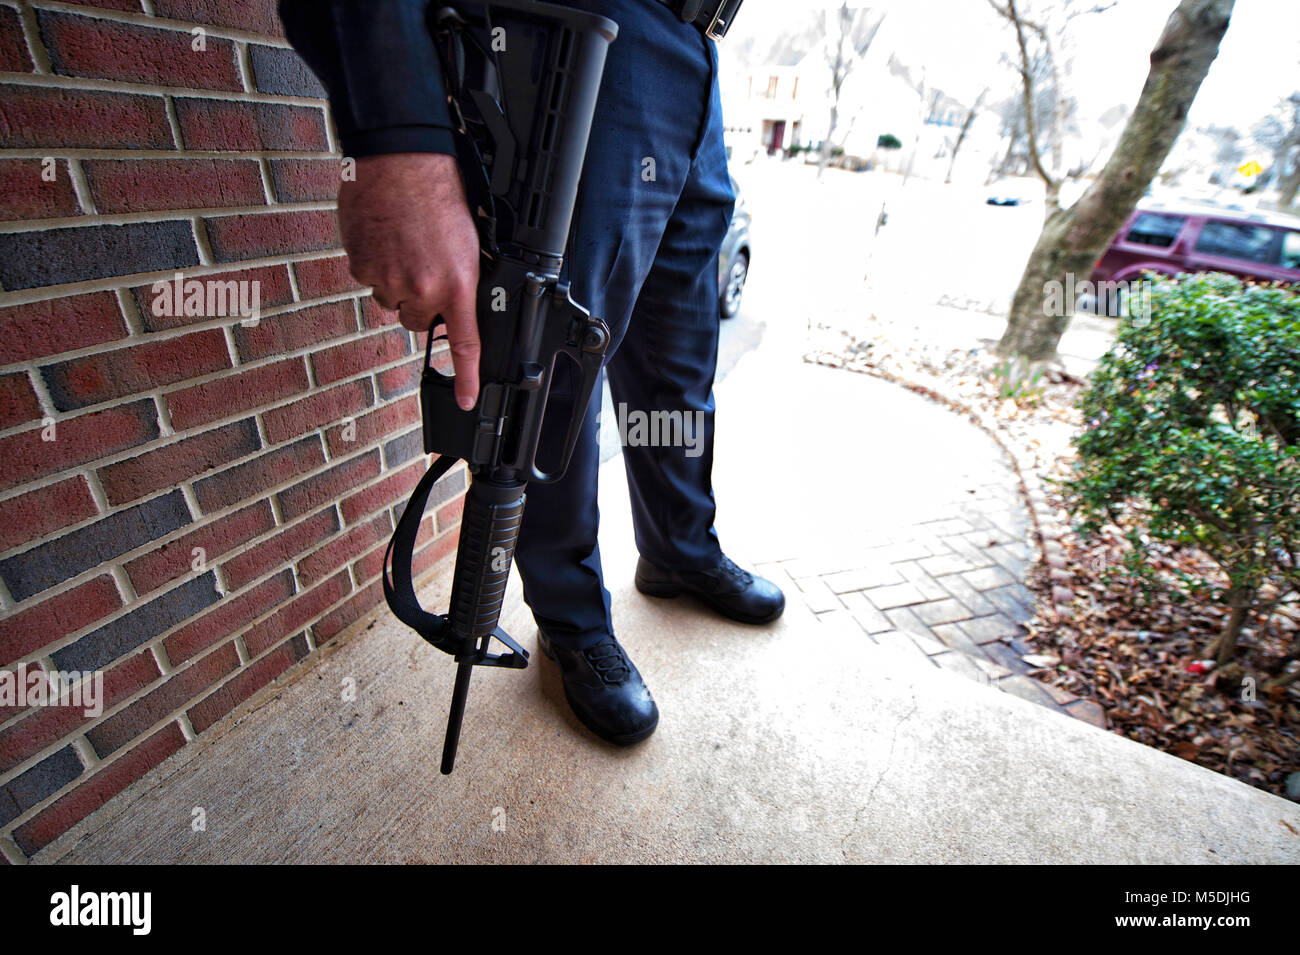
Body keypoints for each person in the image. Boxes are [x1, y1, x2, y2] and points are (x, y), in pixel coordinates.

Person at [279, 0, 783, 747]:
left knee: (675, 355)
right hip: (582, 29)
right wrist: (398, 134)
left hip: (697, 55)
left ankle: (679, 548)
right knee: (552, 372)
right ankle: (572, 621)